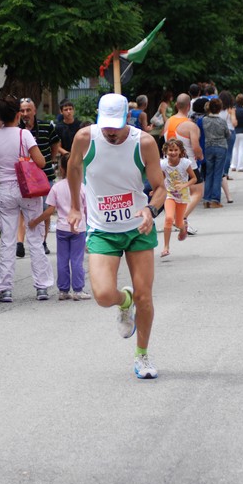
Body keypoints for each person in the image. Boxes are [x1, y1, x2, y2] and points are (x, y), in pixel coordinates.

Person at [67, 93, 166, 379]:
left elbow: (160, 187)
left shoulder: (144, 143)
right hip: (102, 230)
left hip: (137, 228)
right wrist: (75, 206)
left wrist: (150, 209)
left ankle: (142, 356)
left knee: (145, 297)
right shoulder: (85, 138)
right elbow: (73, 169)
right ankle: (124, 302)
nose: (110, 131)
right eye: (105, 124)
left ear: (127, 119)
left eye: (116, 125)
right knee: (102, 295)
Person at [0, 95, 54, 302]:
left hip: (6, 189)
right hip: (27, 190)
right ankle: (42, 287)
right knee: (35, 237)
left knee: (7, 239)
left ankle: (5, 288)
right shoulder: (24, 135)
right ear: (18, 114)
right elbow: (41, 162)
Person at [29, 153, 91, 301]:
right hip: (79, 228)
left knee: (62, 259)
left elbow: (50, 210)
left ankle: (63, 291)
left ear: (61, 169)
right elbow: (88, 211)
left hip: (62, 228)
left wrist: (35, 222)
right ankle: (78, 290)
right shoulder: (83, 188)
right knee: (77, 259)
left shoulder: (56, 187)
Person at [19, 97, 60, 255]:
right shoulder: (17, 129)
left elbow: (55, 144)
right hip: (23, 177)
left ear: (35, 111)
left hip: (44, 175)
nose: (25, 113)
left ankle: (42, 241)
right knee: (22, 210)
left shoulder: (45, 126)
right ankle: (20, 244)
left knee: (45, 208)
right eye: (22, 110)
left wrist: (49, 160)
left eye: (28, 110)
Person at [163, 93, 203, 235]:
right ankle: (181, 218)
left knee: (180, 194)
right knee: (197, 192)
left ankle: (184, 223)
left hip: (170, 163)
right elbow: (196, 146)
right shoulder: (189, 125)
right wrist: (200, 155)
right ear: (189, 106)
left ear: (176, 105)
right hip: (188, 163)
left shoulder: (168, 122)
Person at [160, 139, 197, 258]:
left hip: (182, 196)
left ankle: (183, 228)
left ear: (180, 151)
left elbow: (194, 179)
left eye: (176, 150)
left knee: (178, 222)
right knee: (169, 218)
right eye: (170, 150)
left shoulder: (185, 163)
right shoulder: (163, 164)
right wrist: (156, 190)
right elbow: (161, 179)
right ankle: (166, 247)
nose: (173, 152)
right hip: (169, 194)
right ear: (166, 151)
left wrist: (184, 185)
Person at [202, 98, 230, 208]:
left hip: (208, 146)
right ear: (219, 109)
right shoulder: (222, 121)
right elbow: (227, 134)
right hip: (221, 147)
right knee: (218, 173)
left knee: (209, 173)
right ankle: (215, 199)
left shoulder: (205, 120)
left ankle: (206, 199)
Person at [230, 94, 243, 172]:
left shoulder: (233, 110)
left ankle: (233, 165)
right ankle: (241, 166)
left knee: (235, 148)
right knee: (242, 148)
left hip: (235, 130)